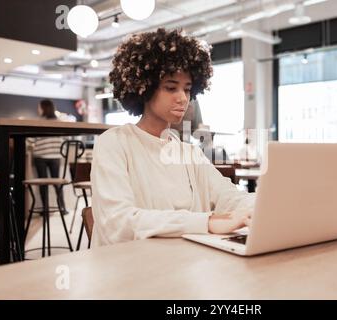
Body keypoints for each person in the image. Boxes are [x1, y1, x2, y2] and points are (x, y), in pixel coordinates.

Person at [91, 28, 254, 246]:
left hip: (184, 264)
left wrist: (261, 206)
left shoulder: (189, 153)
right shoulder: (114, 143)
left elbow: (229, 197)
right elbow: (118, 223)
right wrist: (206, 222)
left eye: (187, 89)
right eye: (170, 88)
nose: (182, 98)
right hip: (128, 268)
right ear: (144, 88)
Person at [28, 99, 68, 214]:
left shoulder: (39, 122)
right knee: (57, 183)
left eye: (39, 107)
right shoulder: (60, 122)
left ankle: (45, 209)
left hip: (41, 156)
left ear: (43, 108)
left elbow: (30, 139)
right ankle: (62, 208)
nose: (38, 109)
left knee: (43, 183)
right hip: (56, 156)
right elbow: (66, 139)